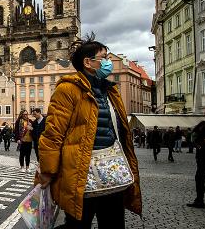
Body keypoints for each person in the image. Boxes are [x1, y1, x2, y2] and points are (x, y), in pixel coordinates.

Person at [36, 36, 141, 228]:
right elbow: (53, 134)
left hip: (112, 172)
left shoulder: (110, 90)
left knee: (114, 224)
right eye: (104, 57)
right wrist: (48, 171)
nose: (108, 62)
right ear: (88, 62)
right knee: (78, 225)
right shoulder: (68, 89)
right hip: (80, 172)